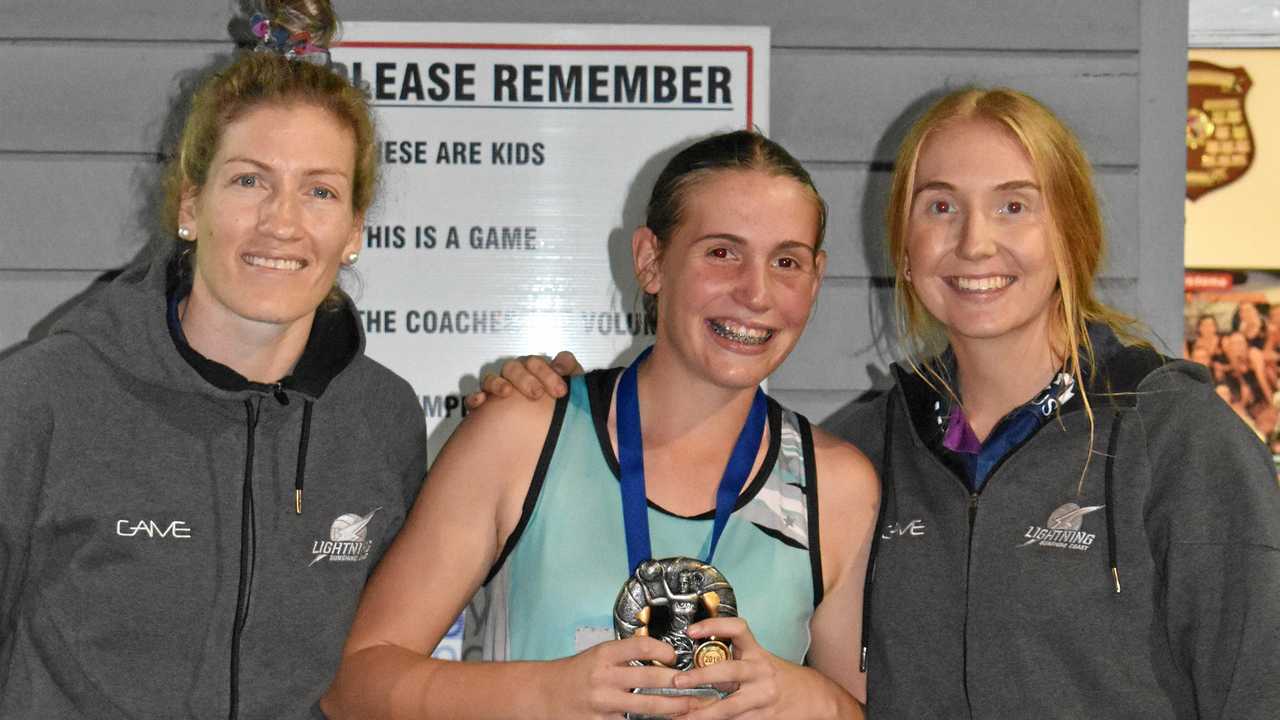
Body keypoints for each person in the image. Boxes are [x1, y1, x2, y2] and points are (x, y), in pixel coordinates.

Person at [483, 87, 1280, 718]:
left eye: (1014, 205)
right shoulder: (860, 453)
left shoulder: (1177, 440)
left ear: (1070, 232)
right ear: (903, 245)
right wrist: (555, 398)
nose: (974, 242)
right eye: (940, 206)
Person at [321, 131, 877, 719]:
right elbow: (355, 683)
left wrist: (803, 695)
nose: (756, 292)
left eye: (786, 262)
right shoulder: (524, 434)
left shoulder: (837, 489)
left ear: (815, 280)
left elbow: (862, 708)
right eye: (722, 252)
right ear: (650, 260)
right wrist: (542, 694)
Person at [0, 2, 426, 718]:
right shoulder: (44, 396)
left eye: (319, 191)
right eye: (249, 180)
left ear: (353, 231)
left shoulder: (381, 417)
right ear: (190, 207)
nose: (282, 222)